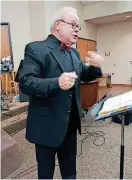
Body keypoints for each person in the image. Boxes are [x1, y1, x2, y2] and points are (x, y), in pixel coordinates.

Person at [18, 7, 104, 179]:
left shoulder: (74, 53)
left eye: (78, 26)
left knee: (70, 174)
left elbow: (84, 74)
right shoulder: (36, 49)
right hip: (46, 127)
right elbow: (26, 82)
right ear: (57, 25)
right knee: (45, 175)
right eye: (73, 24)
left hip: (70, 126)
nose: (77, 29)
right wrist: (56, 82)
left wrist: (95, 66)